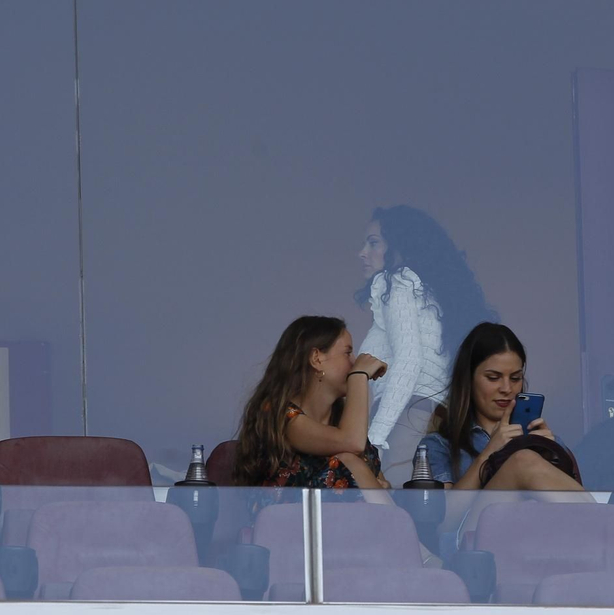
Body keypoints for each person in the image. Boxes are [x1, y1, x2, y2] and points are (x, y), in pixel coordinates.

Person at [355, 206, 496, 460]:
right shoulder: (429, 295)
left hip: (408, 417)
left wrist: (373, 440)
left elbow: (409, 361)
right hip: (433, 418)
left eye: (373, 243)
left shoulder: (396, 282)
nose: (362, 253)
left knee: (393, 498)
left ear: (398, 246)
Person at [419, 322, 584, 493]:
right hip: (480, 519)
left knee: (527, 458)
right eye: (493, 378)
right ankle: (609, 517)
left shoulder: (548, 441)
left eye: (515, 378)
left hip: (537, 519)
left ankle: (606, 517)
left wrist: (551, 455)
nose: (506, 388)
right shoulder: (438, 445)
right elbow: (445, 517)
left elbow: (570, 513)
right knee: (523, 460)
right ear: (468, 380)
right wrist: (490, 452)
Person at [233, 315, 391, 493]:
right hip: (290, 518)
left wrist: (382, 486)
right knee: (349, 459)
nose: (354, 362)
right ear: (316, 358)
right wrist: (359, 375)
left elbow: (380, 483)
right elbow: (351, 442)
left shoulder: (342, 421)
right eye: (347, 353)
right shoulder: (279, 414)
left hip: (350, 519)